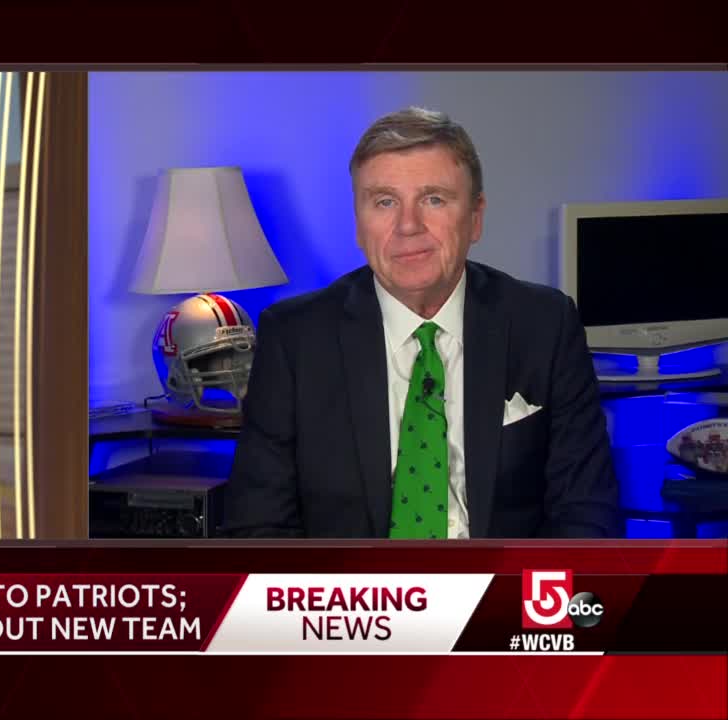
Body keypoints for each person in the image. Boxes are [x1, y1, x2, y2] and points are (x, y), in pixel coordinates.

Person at [224, 107, 619, 539]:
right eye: (384, 202)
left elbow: (585, 517)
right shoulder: (294, 338)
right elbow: (258, 530)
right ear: (359, 224)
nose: (408, 226)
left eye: (433, 199)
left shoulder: (545, 324)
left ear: (475, 218)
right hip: (359, 602)